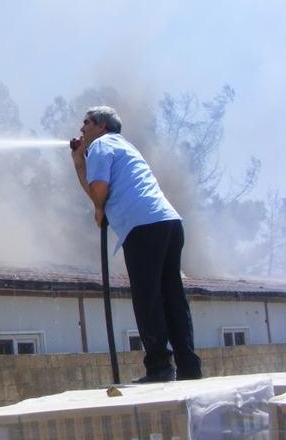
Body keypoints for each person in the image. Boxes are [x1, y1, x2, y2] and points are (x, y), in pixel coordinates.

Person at [70, 105, 202, 383]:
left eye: (86, 122)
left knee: (147, 299)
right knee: (172, 298)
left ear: (102, 126)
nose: (82, 128)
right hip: (169, 222)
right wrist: (80, 161)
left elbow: (98, 192)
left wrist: (97, 205)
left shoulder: (102, 145)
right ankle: (189, 367)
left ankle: (159, 367)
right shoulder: (126, 146)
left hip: (143, 227)